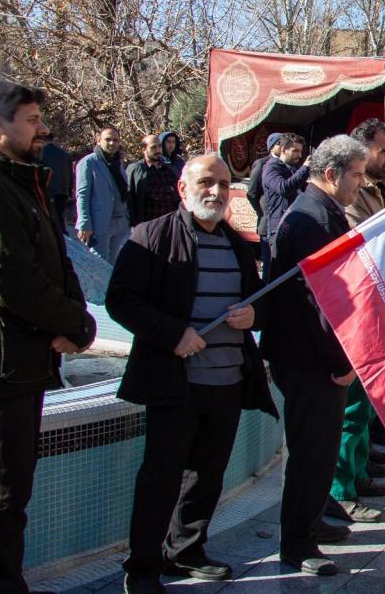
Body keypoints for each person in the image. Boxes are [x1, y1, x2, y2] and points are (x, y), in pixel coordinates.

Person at [109, 155, 278, 593]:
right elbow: (121, 300)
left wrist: (254, 315)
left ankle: (186, 551)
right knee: (160, 479)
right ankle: (143, 568)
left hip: (227, 382)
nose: (216, 192)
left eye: (222, 184)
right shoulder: (151, 237)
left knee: (207, 475)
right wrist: (173, 335)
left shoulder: (236, 244)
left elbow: (258, 302)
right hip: (175, 385)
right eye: (206, 182)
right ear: (183, 189)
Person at [0, 80, 96, 593]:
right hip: (1, 372)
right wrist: (74, 323)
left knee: (11, 494)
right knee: (2, 497)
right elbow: (14, 278)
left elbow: (56, 263)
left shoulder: (21, 181)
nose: (45, 130)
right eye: (32, 121)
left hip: (21, 365)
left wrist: (78, 319)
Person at [262, 135, 368, 577]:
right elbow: (319, 301)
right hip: (309, 360)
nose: (362, 183)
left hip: (314, 357)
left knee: (320, 451)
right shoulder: (312, 221)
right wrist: (341, 363)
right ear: (330, 174)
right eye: (356, 175)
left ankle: (314, 522)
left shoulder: (323, 211)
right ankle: (297, 544)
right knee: (311, 453)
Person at [324, 120, 385, 525]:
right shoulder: (349, 201)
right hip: (357, 317)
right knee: (349, 411)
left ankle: (358, 473)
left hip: (376, 312)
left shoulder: (376, 191)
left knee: (364, 407)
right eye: (384, 151)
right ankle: (342, 492)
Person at [75, 125, 131, 264]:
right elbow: (82, 195)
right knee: (100, 263)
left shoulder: (117, 162)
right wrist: (84, 224)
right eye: (108, 139)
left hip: (120, 221)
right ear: (98, 140)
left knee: (113, 263)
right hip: (100, 222)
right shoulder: (88, 162)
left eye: (115, 140)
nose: (112, 143)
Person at [259, 132, 308, 257]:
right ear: (283, 150)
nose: (299, 155)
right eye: (295, 151)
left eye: (300, 151)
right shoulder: (271, 168)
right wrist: (305, 168)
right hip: (278, 229)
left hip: (294, 227)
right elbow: (284, 188)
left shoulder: (293, 168)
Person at [125, 134, 180, 227]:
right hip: (148, 225)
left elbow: (179, 191)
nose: (158, 150)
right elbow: (129, 197)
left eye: (159, 146)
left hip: (170, 224)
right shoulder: (137, 169)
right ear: (144, 149)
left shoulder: (169, 168)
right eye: (153, 147)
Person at [244, 133, 280, 268]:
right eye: (280, 143)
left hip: (283, 224)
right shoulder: (262, 164)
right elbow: (252, 193)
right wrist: (262, 211)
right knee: (269, 265)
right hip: (267, 223)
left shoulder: (290, 165)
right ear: (271, 147)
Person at [41, 137, 72, 232]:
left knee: (50, 217)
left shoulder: (41, 153)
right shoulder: (64, 154)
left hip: (48, 189)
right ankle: (63, 233)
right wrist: (69, 188)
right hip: (62, 190)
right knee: (60, 215)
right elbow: (70, 173)